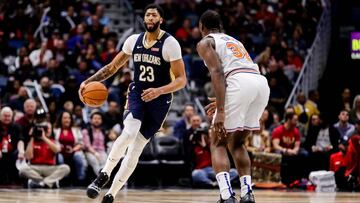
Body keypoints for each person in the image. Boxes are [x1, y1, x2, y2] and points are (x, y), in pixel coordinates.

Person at [79, 4, 186, 203]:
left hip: (160, 100)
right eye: (147, 15)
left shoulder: (170, 44)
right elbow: (112, 67)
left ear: (160, 20)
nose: (150, 18)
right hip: (138, 93)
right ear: (144, 19)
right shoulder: (133, 41)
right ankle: (104, 174)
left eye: (154, 15)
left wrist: (159, 90)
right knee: (128, 132)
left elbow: (181, 80)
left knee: (136, 149)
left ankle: (112, 193)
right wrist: (88, 81)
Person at [197, 10, 269, 203]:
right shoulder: (234, 40)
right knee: (237, 143)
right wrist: (224, 100)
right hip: (260, 83)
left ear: (201, 27)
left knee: (217, 141)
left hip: (238, 82)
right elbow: (238, 71)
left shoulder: (205, 42)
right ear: (220, 26)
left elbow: (218, 72)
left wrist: (221, 111)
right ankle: (247, 194)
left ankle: (227, 195)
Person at [20, 110, 70, 189]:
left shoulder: (53, 141)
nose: (46, 130)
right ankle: (47, 182)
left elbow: (57, 150)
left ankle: (41, 182)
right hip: (35, 167)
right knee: (23, 169)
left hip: (50, 167)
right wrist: (32, 137)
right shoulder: (32, 141)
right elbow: (29, 157)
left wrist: (44, 138)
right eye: (44, 128)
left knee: (65, 168)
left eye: (48, 128)